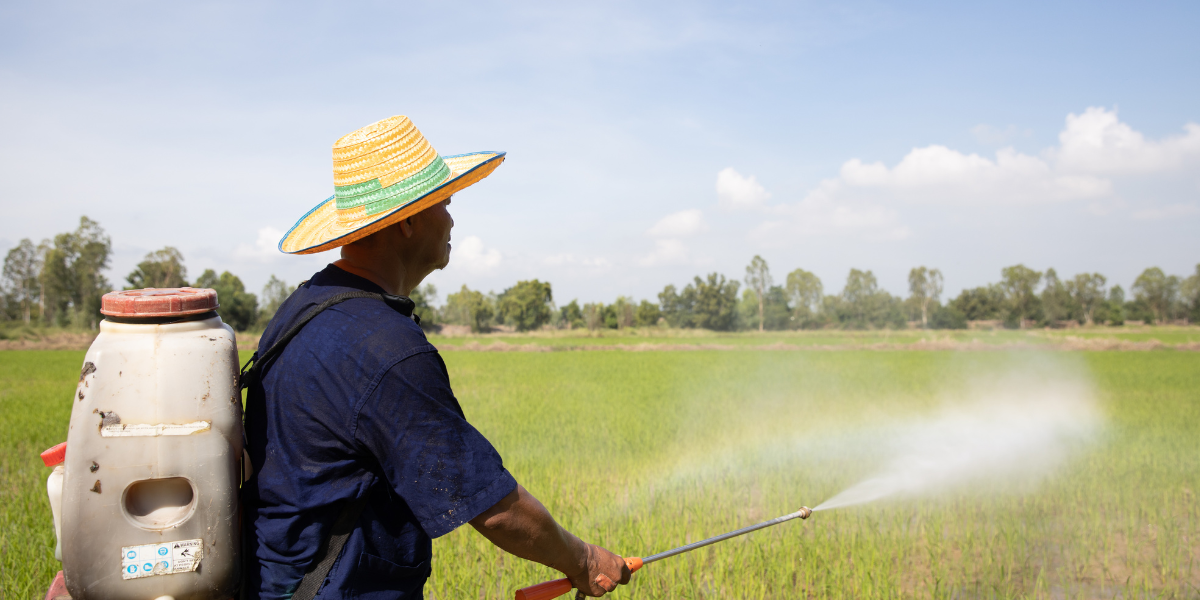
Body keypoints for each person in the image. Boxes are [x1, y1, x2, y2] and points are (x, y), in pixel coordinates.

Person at [243, 116, 630, 599]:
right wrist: (584, 558)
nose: (451, 219)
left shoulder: (303, 306)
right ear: (407, 221)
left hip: (275, 579)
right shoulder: (385, 348)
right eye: (444, 203)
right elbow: (492, 505)